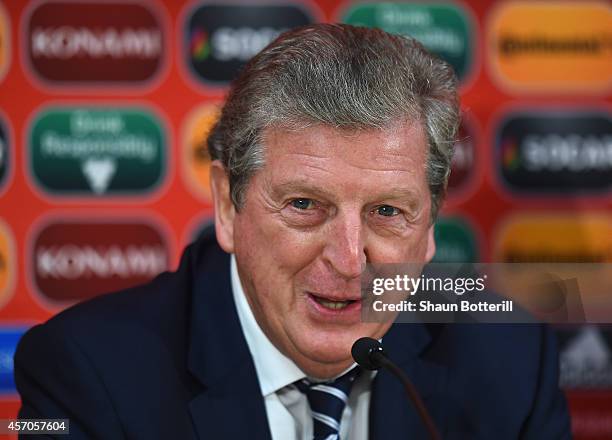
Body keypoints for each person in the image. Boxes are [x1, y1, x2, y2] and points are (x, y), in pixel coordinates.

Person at [14, 24, 570, 439]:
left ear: (429, 228)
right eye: (305, 204)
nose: (351, 261)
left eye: (387, 212)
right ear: (228, 208)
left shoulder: (511, 358)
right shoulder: (85, 372)